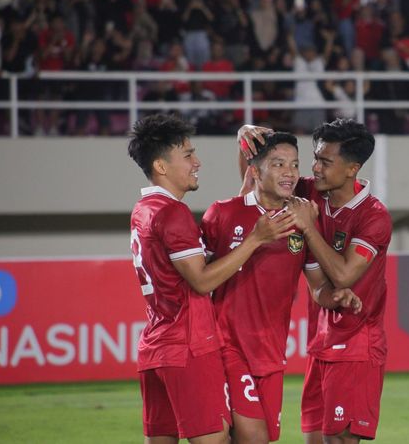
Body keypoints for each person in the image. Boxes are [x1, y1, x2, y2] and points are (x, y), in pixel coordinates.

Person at [127, 113, 297, 444]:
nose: (197, 162)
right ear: (162, 166)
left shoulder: (143, 209)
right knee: (214, 439)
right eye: (188, 155)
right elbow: (202, 280)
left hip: (155, 345)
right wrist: (255, 239)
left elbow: (230, 227)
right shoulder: (173, 214)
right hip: (188, 345)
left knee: (160, 439)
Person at [238, 119, 392, 444]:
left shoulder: (373, 217)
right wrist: (244, 138)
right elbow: (259, 180)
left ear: (351, 169)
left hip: (356, 346)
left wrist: (308, 228)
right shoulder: (309, 191)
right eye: (315, 158)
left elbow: (345, 274)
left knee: (338, 441)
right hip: (320, 343)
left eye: (325, 161)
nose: (314, 168)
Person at [203, 131, 362, 444]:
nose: (289, 172)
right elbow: (199, 277)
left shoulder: (299, 222)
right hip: (227, 345)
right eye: (278, 164)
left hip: (271, 353)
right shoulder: (223, 213)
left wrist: (335, 296)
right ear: (255, 171)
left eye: (294, 164)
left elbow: (317, 287)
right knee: (254, 438)